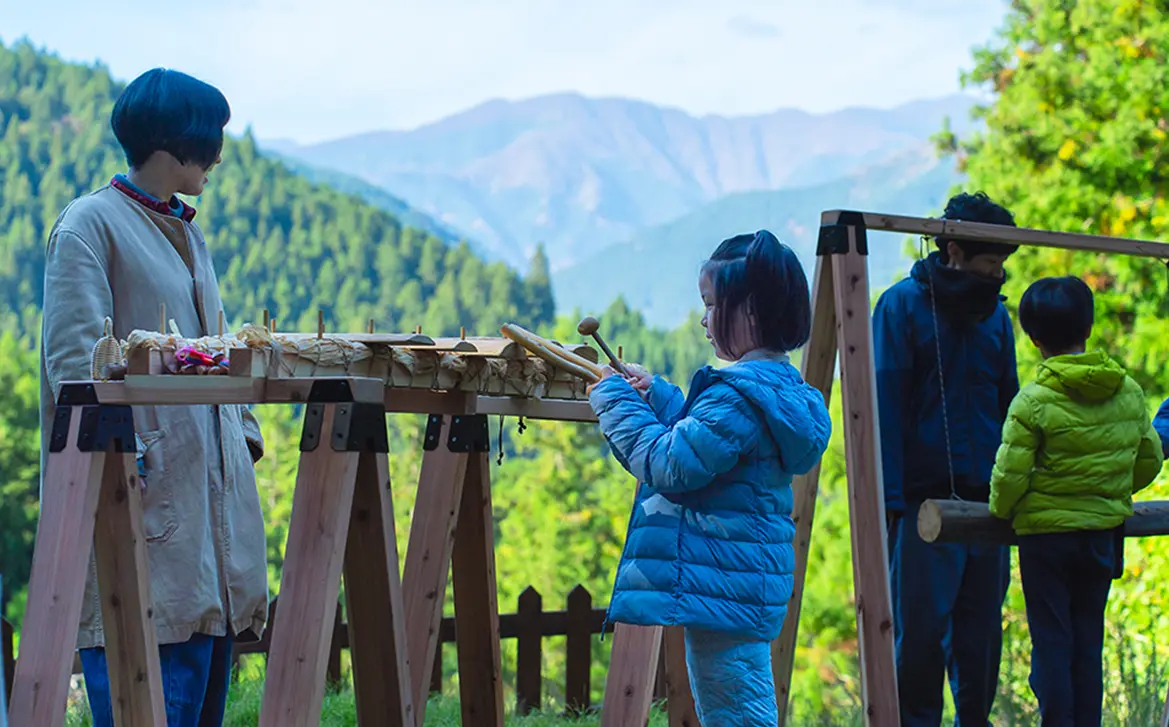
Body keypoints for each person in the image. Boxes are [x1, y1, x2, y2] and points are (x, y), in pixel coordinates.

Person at [40, 68, 269, 727]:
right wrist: (133, 460)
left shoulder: (187, 233)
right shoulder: (88, 226)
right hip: (141, 509)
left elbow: (215, 348)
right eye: (213, 138)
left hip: (207, 523)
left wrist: (243, 438)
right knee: (144, 698)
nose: (218, 155)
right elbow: (77, 368)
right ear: (177, 141)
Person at [586, 230, 831, 726]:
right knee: (738, 708)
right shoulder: (775, 388)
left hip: (725, 581)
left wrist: (613, 400)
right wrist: (655, 395)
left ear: (750, 312)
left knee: (737, 716)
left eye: (711, 304)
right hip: (739, 580)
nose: (703, 318)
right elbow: (709, 445)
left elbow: (669, 463)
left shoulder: (736, 396)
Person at [872, 191, 1020, 725]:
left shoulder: (995, 317)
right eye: (990, 263)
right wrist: (889, 506)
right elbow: (883, 408)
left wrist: (1016, 497)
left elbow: (1011, 408)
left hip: (989, 506)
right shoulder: (900, 307)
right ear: (953, 250)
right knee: (918, 644)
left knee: (981, 644)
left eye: (1002, 264)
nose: (998, 275)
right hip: (919, 506)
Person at [989, 275, 1163, 725]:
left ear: (1034, 339)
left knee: (1052, 644)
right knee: (1088, 643)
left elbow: (1009, 476)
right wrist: (1109, 490)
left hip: (1046, 541)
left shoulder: (1032, 401)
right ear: (1088, 327)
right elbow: (1148, 459)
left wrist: (1002, 511)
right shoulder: (1128, 391)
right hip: (1102, 536)